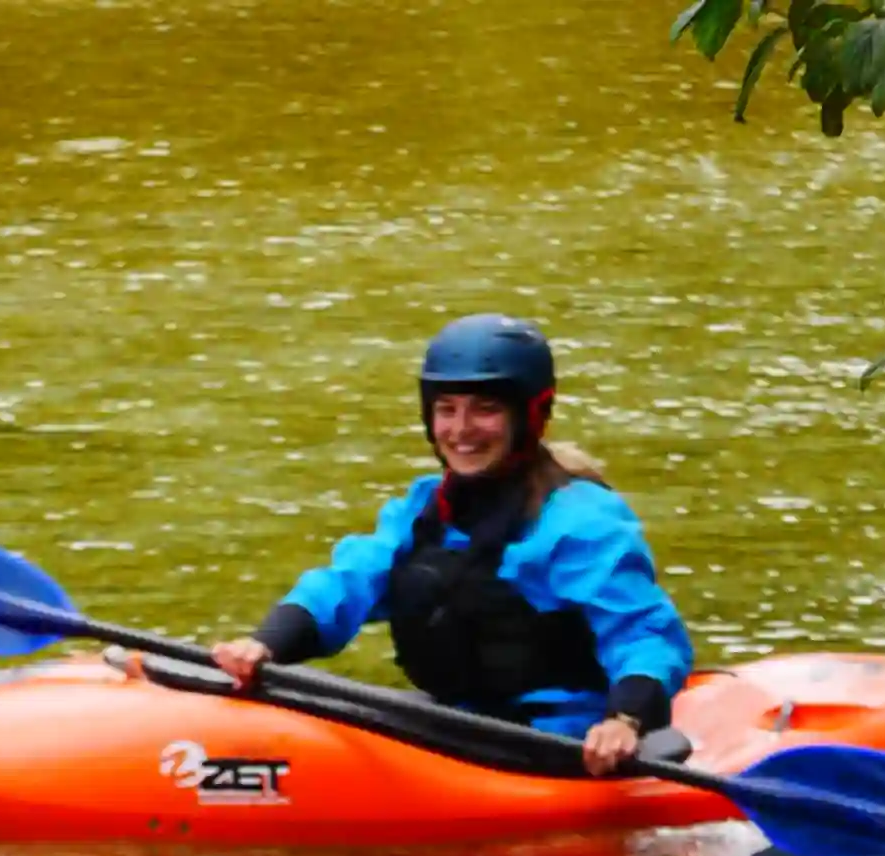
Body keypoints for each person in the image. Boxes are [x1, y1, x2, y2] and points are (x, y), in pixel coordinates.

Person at [211, 315, 694, 777]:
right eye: (447, 409)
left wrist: (624, 721)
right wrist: (265, 643)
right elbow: (348, 579)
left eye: (485, 409)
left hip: (561, 743)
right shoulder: (423, 508)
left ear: (529, 415)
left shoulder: (579, 523)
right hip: (456, 725)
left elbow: (644, 636)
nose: (461, 430)